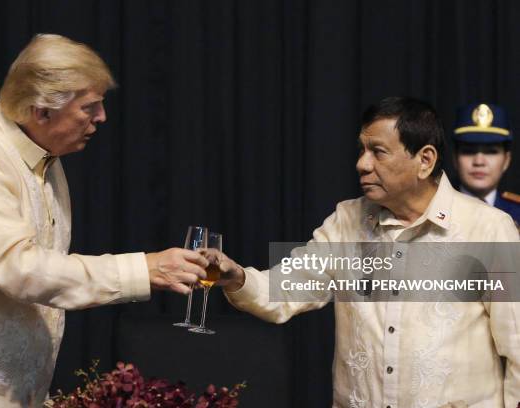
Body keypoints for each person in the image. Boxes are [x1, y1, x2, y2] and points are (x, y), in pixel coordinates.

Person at [0, 34, 208, 407]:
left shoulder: (44, 158)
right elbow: (20, 269)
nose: (102, 117)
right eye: (89, 107)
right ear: (42, 111)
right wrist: (143, 269)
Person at [214, 97, 520, 407]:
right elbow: (283, 290)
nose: (362, 163)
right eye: (362, 149)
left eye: (378, 151)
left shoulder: (489, 229)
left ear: (425, 160)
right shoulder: (346, 221)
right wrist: (236, 277)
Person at [452, 103, 520, 229]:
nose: (479, 161)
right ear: (455, 158)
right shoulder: (434, 212)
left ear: (506, 160)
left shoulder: (517, 213)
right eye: (468, 151)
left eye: (491, 152)